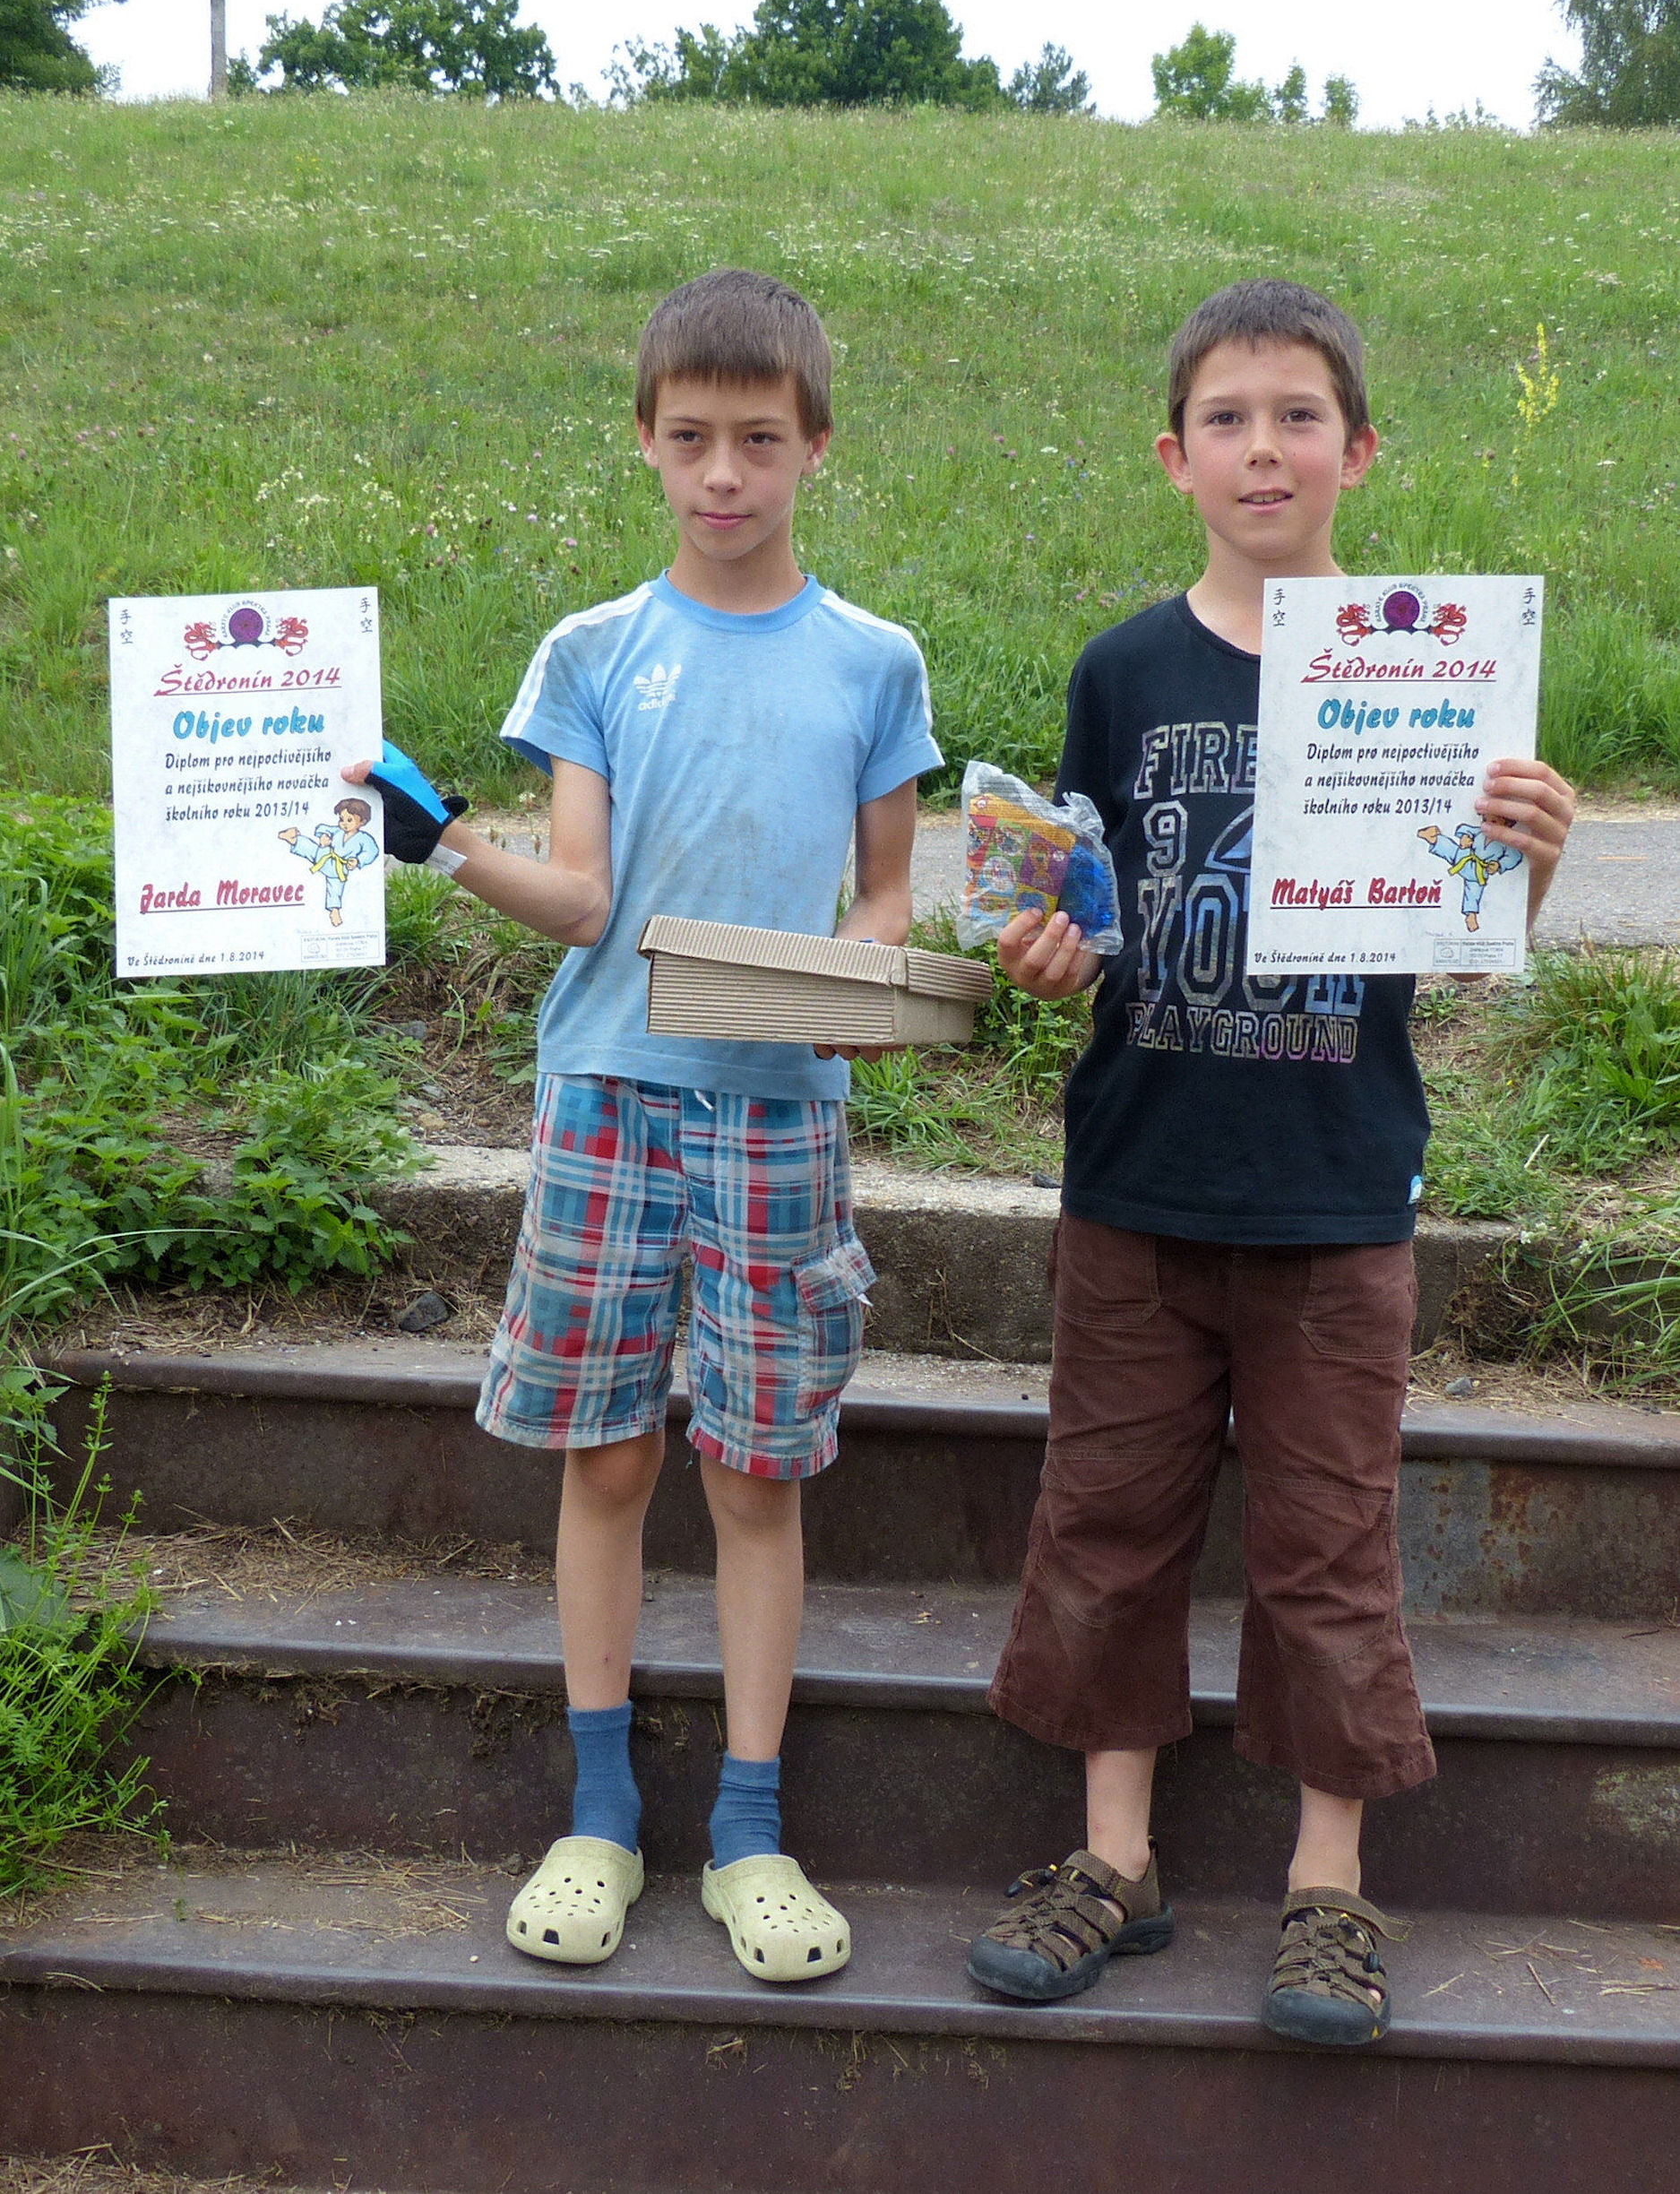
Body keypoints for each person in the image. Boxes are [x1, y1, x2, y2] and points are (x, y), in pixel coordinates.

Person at [964, 279, 1576, 2044]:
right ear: (1173, 457)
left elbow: (1469, 941)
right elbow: (1068, 900)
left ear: (1357, 450)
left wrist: (1525, 862)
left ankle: (1327, 1884)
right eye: (1224, 418)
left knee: (1326, 1547)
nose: (1261, 448)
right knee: (1103, 1526)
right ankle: (1114, 1859)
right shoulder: (1120, 672)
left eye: (1297, 414)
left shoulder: (1434, 670)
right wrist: (1044, 949)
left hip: (1334, 1189)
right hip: (1137, 1180)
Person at [345, 268, 941, 1983]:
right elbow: (585, 899)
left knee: (753, 1470)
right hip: (605, 1095)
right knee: (607, 1457)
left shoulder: (874, 662)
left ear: (816, 445)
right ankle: (599, 1813)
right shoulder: (594, 652)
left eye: (759, 439)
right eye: (691, 440)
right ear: (646, 442)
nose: (724, 474)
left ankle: (751, 1831)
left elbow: (888, 896)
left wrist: (856, 989)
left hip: (782, 1116)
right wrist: (446, 843)